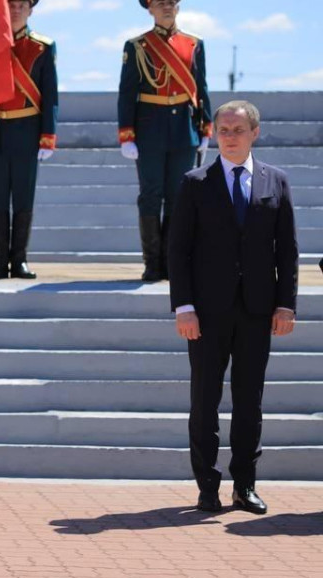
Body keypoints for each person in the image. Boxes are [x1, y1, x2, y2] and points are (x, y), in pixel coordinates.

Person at [168, 101, 298, 515]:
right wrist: (184, 307)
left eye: (238, 130)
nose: (229, 137)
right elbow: (178, 250)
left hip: (258, 310)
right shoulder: (195, 182)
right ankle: (207, 486)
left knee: (249, 401)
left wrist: (286, 305)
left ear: (254, 133)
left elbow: (287, 250)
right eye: (223, 130)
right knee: (204, 400)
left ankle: (245, 485)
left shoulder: (275, 181)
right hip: (206, 313)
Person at [118, 0, 212, 282]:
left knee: (178, 198)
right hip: (150, 129)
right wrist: (126, 134)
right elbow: (127, 93)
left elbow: (201, 87)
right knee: (150, 195)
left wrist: (205, 128)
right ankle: (152, 263)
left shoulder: (194, 44)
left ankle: (172, 264)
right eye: (160, 3)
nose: (167, 7)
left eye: (171, 2)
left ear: (178, 7)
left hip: (183, 129)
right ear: (150, 9)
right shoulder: (137, 46)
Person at [0, 0, 57, 280]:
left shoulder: (42, 46)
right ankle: (0, 261)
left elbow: (50, 95)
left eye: (22, 5)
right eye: (11, 5)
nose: (16, 10)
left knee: (23, 197)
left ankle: (19, 260)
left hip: (28, 128)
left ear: (30, 10)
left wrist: (48, 135)